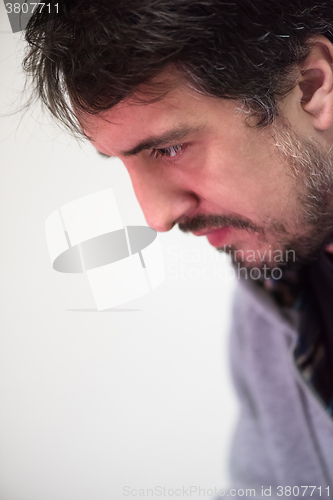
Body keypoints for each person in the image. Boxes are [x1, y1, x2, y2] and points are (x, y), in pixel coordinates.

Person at [22, 1, 333, 497]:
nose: (155, 217)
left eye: (168, 149)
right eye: (120, 162)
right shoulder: (271, 298)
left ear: (311, 87)